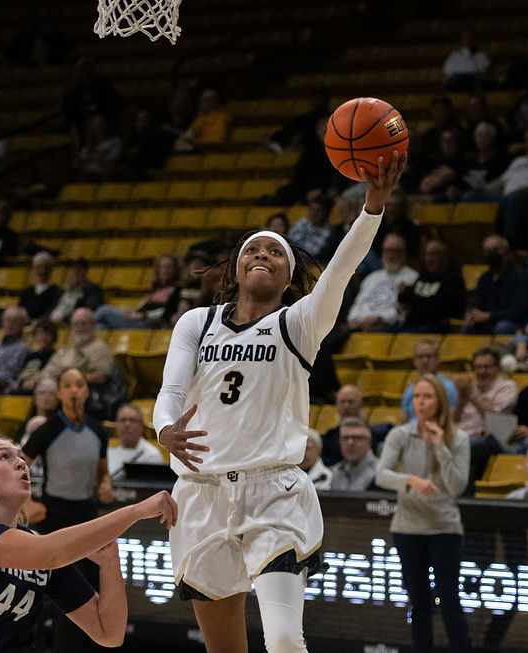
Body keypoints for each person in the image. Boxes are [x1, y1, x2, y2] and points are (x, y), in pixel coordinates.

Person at [154, 154, 406, 652]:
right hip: (200, 494)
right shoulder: (197, 322)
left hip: (273, 492)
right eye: (253, 249)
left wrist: (372, 208)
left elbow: (342, 268)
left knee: (286, 639)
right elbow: (171, 392)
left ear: (289, 276)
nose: (262, 255)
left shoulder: (299, 323)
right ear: (236, 268)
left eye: (275, 251)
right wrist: (164, 427)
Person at [0, 436, 176, 652]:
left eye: (21, 458)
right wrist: (135, 511)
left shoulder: (35, 547)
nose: (21, 463)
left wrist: (110, 562)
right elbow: (49, 553)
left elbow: (109, 633)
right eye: (5, 457)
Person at [375, 374, 471, 652]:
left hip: (444, 528)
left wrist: (440, 447)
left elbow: (456, 486)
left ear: (441, 401)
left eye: (427, 396)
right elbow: (381, 475)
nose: (421, 402)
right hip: (407, 529)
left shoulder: (459, 438)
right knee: (418, 603)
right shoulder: (400, 435)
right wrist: (411, 481)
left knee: (449, 599)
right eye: (416, 396)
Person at [21, 367, 113, 651]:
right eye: (68, 385)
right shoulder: (48, 430)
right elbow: (19, 466)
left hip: (87, 516)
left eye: (79, 384)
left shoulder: (98, 430)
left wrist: (105, 485)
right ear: (59, 392)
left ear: (86, 391)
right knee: (71, 593)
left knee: (94, 591)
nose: (74, 390)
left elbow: (102, 473)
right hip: (54, 518)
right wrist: (27, 502)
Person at [454, 348, 519, 483]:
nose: (482, 372)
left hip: (495, 439)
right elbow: (453, 422)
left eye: (486, 367)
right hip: (463, 436)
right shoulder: (468, 388)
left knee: (466, 445)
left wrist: (473, 396)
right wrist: (462, 400)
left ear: (497, 368)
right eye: (478, 367)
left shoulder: (507, 387)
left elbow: (495, 420)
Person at [464, 234, 528, 334]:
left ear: (507, 252)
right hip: (492, 322)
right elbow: (479, 306)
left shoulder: (521, 277)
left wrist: (489, 316)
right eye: (488, 251)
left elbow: (520, 313)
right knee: (468, 327)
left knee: (503, 327)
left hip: (523, 325)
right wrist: (472, 315)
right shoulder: (484, 279)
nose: (492, 254)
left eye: (496, 250)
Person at [347, 233, 418, 332]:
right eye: (387, 250)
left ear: (403, 253)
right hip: (360, 324)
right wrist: (353, 320)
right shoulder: (371, 277)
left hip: (387, 326)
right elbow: (358, 304)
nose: (390, 255)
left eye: (395, 250)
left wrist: (379, 318)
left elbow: (401, 312)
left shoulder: (412, 278)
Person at [95, 253, 180, 329]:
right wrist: (130, 311)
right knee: (100, 326)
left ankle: (87, 321)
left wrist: (143, 315)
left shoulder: (176, 289)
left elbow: (167, 312)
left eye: (168, 267)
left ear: (175, 269)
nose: (165, 270)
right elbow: (140, 307)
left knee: (103, 309)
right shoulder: (155, 287)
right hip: (136, 318)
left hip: (146, 323)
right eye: (161, 267)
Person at [398, 240, 466, 333]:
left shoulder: (454, 279)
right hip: (411, 326)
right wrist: (403, 293)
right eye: (427, 255)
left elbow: (440, 308)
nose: (429, 259)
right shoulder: (423, 277)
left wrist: (418, 302)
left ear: (444, 257)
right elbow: (404, 299)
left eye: (434, 254)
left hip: (435, 329)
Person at [400, 339, 459, 424]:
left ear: (437, 360)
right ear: (414, 361)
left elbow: (451, 420)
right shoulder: (410, 390)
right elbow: (404, 419)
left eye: (429, 356)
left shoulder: (449, 388)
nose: (425, 361)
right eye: (420, 357)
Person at [107, 403, 164, 475]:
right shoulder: (111, 454)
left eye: (132, 420)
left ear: (141, 426)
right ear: (116, 425)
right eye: (123, 420)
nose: (127, 424)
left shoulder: (152, 456)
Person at [48, 258, 104, 325]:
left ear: (85, 272)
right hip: (51, 324)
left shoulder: (93, 289)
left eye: (78, 269)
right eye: (72, 269)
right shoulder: (62, 290)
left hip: (71, 324)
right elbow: (50, 308)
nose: (75, 272)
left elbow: (88, 311)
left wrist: (63, 320)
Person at [329, 416, 378, 491]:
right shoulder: (336, 472)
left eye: (357, 438)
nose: (350, 443)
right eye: (345, 438)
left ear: (369, 443)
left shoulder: (379, 474)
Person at [286, 193, 333, 260]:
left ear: (326, 213)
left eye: (318, 211)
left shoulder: (327, 231)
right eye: (312, 209)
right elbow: (288, 242)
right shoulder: (302, 223)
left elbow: (312, 253)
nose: (314, 213)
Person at [19, 252, 61, 321]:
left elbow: (53, 312)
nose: (43, 271)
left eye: (46, 267)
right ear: (34, 269)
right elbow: (21, 310)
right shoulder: (27, 291)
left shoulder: (56, 291)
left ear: (51, 269)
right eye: (39, 267)